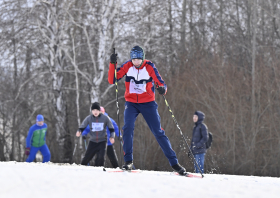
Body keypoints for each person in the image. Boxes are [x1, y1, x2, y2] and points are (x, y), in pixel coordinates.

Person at [108, 45, 186, 175]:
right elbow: (112, 80)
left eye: (138, 60)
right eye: (134, 60)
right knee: (127, 128)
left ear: (142, 59)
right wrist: (112, 64)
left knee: (158, 132)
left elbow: (161, 83)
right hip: (131, 103)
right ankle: (128, 162)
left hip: (148, 103)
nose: (136, 62)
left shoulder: (149, 66)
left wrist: (162, 89)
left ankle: (175, 163)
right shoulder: (127, 66)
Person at [76, 102, 115, 166]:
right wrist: (79, 131)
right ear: (91, 111)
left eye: (97, 110)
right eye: (93, 110)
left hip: (102, 141)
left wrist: (112, 137)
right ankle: (82, 170)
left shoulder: (105, 118)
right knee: (86, 158)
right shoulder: (89, 118)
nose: (95, 112)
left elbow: (112, 129)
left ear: (99, 111)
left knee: (101, 158)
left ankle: (100, 172)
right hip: (92, 141)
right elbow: (82, 126)